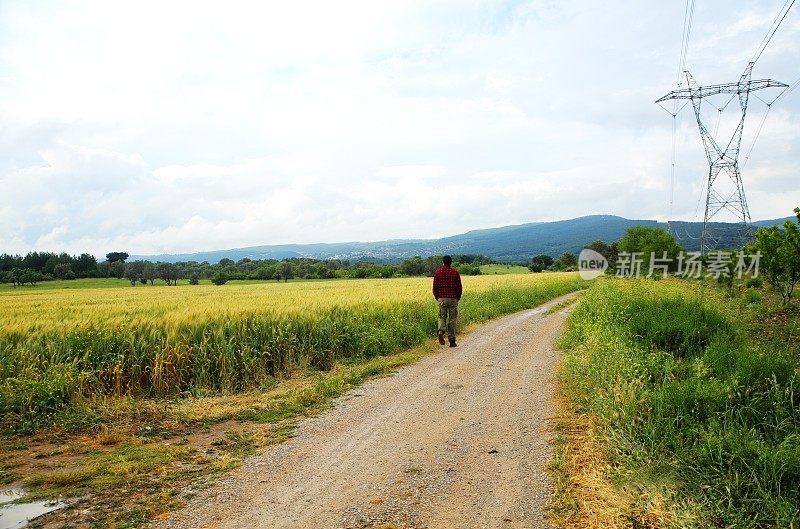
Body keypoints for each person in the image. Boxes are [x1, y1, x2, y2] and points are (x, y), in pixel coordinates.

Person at [432, 255, 462, 347]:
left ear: (443, 262)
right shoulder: (455, 272)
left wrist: (438, 298)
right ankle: (452, 341)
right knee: (452, 319)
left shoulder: (437, 272)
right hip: (453, 299)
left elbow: (434, 288)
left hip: (442, 299)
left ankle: (441, 331)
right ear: (451, 262)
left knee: (442, 317)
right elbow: (459, 287)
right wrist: (458, 297)